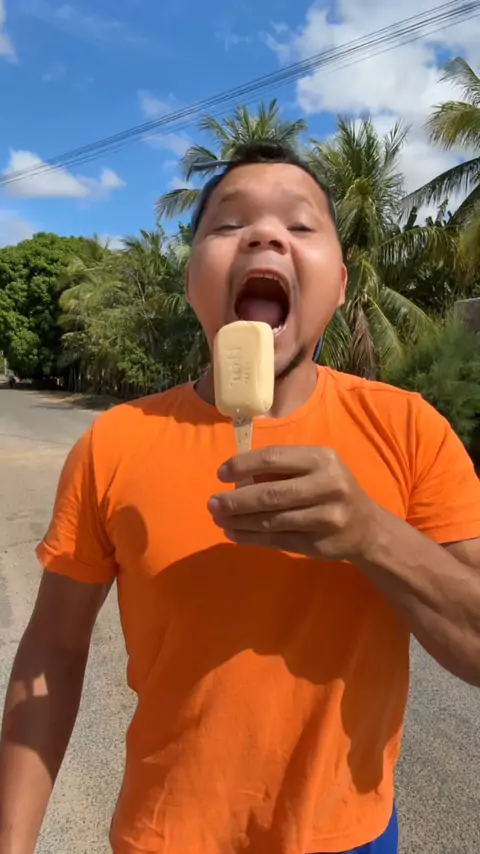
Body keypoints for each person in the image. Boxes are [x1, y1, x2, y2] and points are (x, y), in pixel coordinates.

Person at [1, 140, 480, 854]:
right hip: (162, 836)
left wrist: (372, 535)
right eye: (227, 224)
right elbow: (52, 651)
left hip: (351, 838)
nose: (264, 235)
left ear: (339, 284)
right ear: (192, 280)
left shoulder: (410, 430)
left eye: (300, 223)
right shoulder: (116, 442)